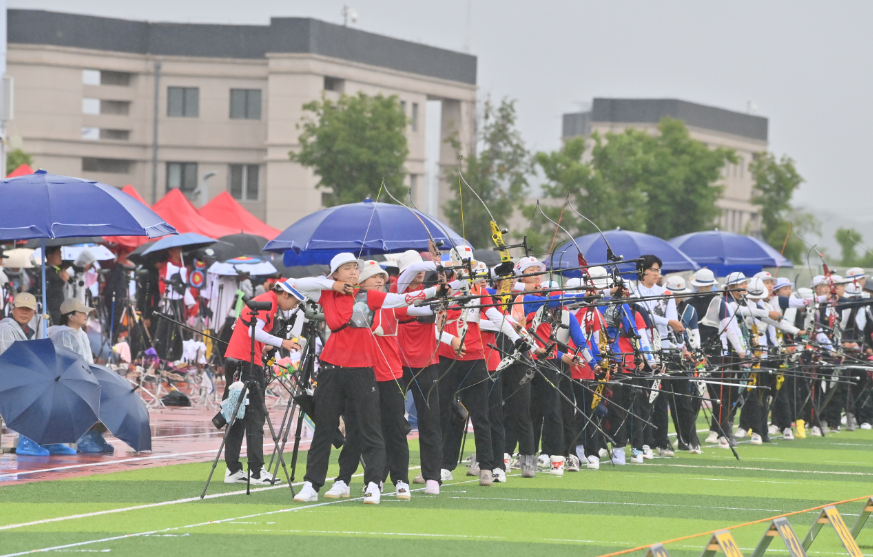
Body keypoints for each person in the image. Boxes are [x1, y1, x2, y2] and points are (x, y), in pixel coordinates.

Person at [292, 253, 444, 504]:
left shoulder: (368, 296)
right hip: (331, 368)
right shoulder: (327, 294)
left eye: (355, 268)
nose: (353, 272)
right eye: (347, 269)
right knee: (324, 428)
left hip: (363, 369)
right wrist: (333, 285)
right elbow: (296, 285)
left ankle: (374, 483)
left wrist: (438, 289)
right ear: (336, 274)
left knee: (370, 427)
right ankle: (311, 484)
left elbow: (402, 298)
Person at [222, 279, 305, 486]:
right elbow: (253, 331)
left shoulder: (263, 301)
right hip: (246, 364)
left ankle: (233, 469)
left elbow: (249, 333)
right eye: (295, 300)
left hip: (237, 361)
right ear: (285, 294)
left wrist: (265, 346)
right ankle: (257, 471)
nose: (295, 306)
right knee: (255, 416)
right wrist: (281, 342)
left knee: (237, 415)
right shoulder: (267, 303)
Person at [0, 292, 79, 456]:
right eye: (21, 308)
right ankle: (27, 441)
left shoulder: (25, 329)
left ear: (34, 311)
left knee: (57, 389)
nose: (24, 312)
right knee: (42, 392)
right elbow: (8, 360)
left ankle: (49, 439)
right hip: (7, 381)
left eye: (28, 309)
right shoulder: (6, 328)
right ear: (13, 308)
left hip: (20, 378)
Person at [47, 298, 113, 454]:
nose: (86, 315)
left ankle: (95, 434)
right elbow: (67, 362)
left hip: (84, 377)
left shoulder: (81, 334)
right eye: (81, 312)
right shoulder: (63, 335)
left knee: (110, 397)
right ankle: (84, 438)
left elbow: (87, 360)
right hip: (68, 382)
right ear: (70, 315)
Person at [43, 246, 69, 325]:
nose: (60, 257)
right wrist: (61, 281)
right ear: (50, 256)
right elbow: (50, 291)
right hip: (52, 310)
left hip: (60, 308)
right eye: (58, 254)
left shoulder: (57, 270)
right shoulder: (46, 272)